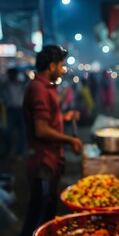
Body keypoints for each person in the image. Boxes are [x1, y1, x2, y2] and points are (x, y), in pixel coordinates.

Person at [20, 45, 83, 236]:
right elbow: (41, 129)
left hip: (50, 160)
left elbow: (47, 120)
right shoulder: (39, 88)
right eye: (61, 65)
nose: (63, 70)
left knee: (47, 213)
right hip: (43, 162)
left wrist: (64, 117)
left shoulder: (45, 86)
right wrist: (70, 140)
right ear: (52, 66)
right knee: (38, 219)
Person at [2, 67, 26, 159]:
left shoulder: (21, 84)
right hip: (10, 110)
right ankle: (8, 151)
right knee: (8, 131)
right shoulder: (6, 85)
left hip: (20, 110)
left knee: (22, 133)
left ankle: (19, 153)